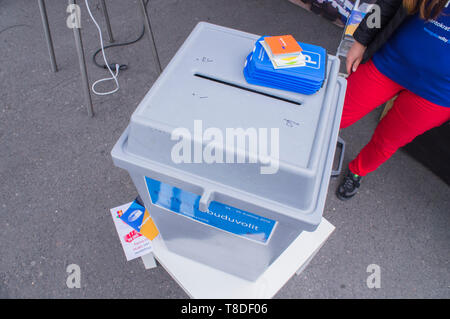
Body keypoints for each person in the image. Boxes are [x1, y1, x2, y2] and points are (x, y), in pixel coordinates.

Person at [336, 0, 450, 200]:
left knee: (387, 141)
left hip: (439, 93)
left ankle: (358, 171)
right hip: (390, 61)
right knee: (334, 114)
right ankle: (295, 152)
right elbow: (389, 2)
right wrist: (361, 40)